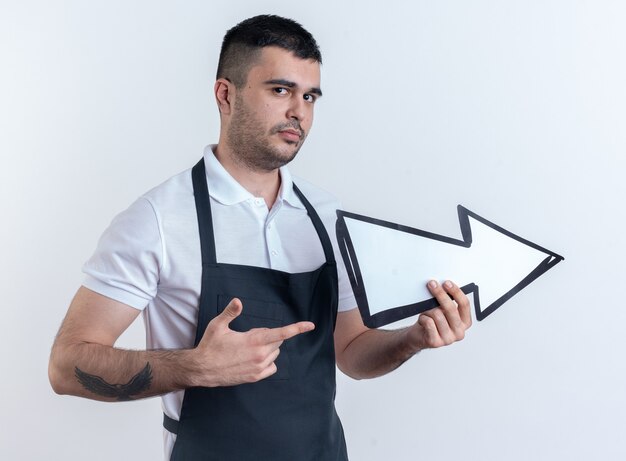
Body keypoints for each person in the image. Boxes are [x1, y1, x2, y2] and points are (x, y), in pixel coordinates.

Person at [48, 14, 471, 460]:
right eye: (280, 90)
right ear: (225, 94)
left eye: (310, 96)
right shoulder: (159, 219)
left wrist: (414, 338)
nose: (299, 112)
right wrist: (196, 366)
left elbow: (350, 352)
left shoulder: (328, 218)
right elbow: (66, 365)